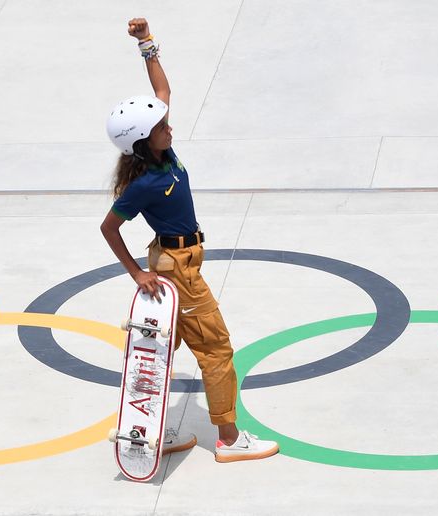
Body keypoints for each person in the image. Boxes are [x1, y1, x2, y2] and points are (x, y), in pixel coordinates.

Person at [100, 17, 279, 463]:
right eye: (162, 127)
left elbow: (163, 93)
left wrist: (146, 44)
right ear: (144, 141)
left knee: (159, 351)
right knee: (216, 349)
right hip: (175, 269)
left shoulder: (163, 154)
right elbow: (109, 228)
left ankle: (153, 435)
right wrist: (136, 272)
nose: (170, 126)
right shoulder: (143, 183)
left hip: (179, 260)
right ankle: (230, 438)